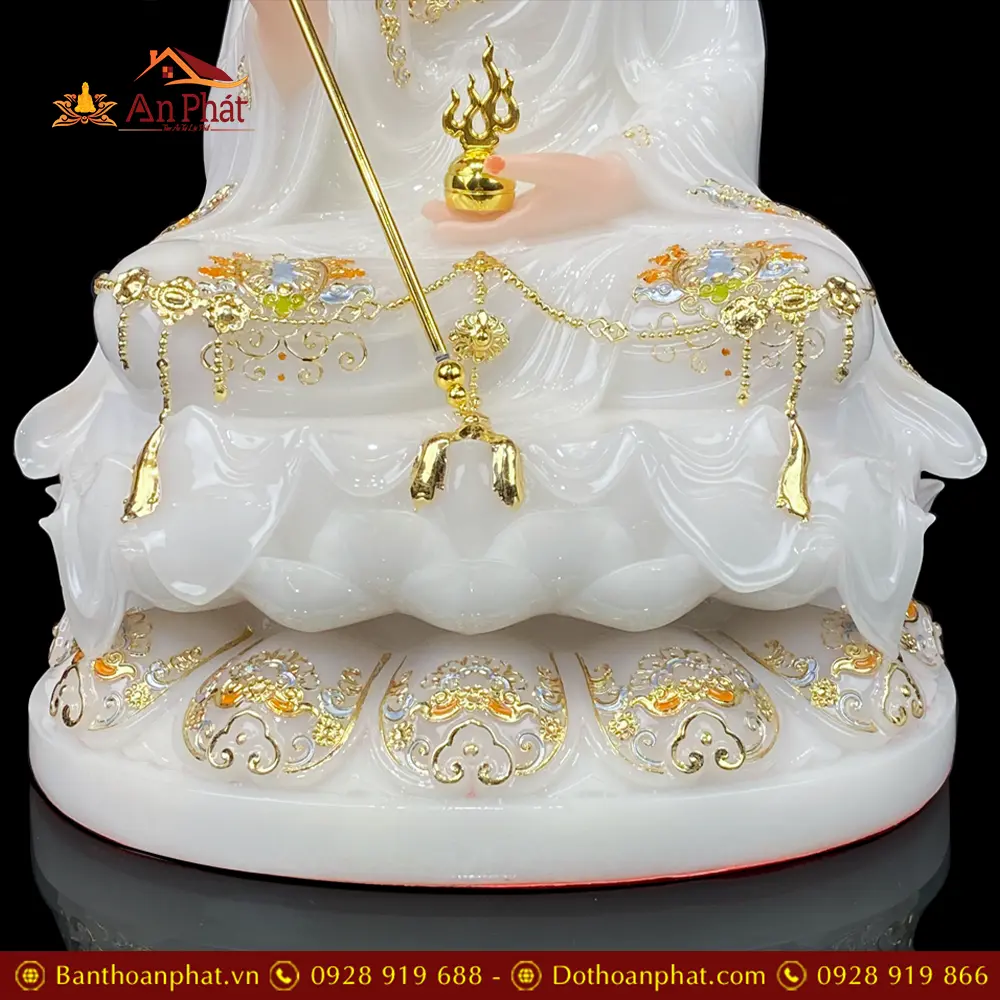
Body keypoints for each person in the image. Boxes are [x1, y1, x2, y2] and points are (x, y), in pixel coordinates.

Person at [17, 1, 984, 655]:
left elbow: (713, 65)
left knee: (807, 302)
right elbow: (278, 114)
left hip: (612, 237)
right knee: (166, 310)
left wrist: (616, 178)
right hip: (376, 231)